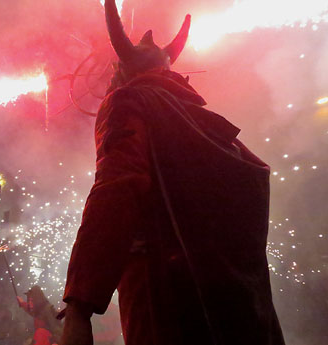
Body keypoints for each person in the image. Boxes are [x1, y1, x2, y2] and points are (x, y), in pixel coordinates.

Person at [60, 1, 286, 345]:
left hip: (170, 303)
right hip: (242, 312)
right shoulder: (200, 120)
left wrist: (79, 304)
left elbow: (116, 190)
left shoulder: (129, 100)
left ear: (121, 72)